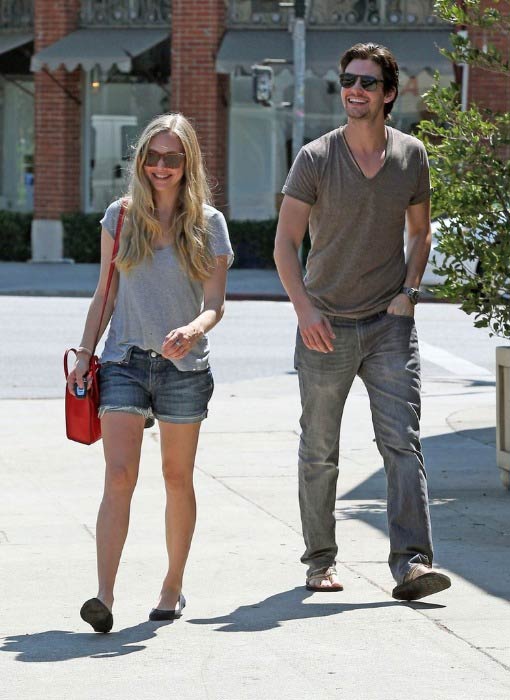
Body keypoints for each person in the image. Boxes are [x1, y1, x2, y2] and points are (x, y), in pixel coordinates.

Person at [274, 43, 451, 601]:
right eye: (348, 79)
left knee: (402, 443)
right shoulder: (316, 158)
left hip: (388, 323)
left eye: (367, 82)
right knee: (320, 449)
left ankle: (413, 565)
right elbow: (284, 242)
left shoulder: (411, 156)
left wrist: (409, 293)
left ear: (389, 93)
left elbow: (420, 232)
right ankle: (320, 561)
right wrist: (304, 309)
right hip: (324, 324)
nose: (354, 89)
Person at [67, 113, 233, 632]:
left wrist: (193, 330)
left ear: (188, 164)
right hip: (125, 362)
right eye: (152, 157)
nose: (160, 167)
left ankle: (172, 585)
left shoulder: (209, 223)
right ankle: (104, 596)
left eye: (171, 158)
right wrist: (83, 350)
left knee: (176, 478)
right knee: (118, 476)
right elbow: (105, 293)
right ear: (141, 161)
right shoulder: (120, 217)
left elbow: (215, 303)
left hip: (184, 366)